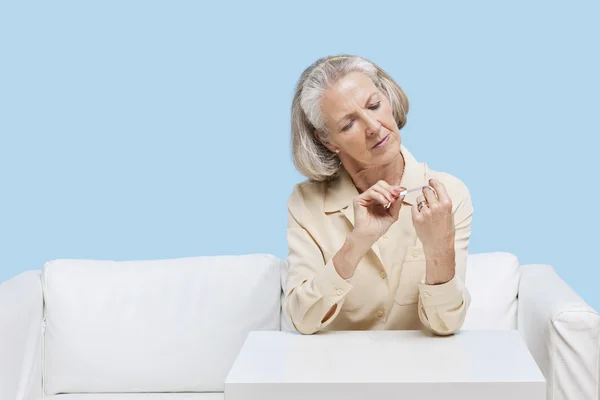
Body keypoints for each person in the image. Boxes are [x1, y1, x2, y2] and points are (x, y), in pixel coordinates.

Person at [284, 54, 473, 336]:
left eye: (374, 105)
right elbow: (302, 319)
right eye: (348, 124)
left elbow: (446, 325)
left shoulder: (447, 193)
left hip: (422, 373)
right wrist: (357, 243)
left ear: (388, 98)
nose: (373, 127)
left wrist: (439, 249)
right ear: (326, 139)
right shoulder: (306, 202)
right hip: (335, 371)